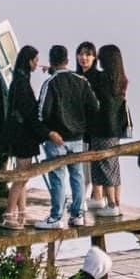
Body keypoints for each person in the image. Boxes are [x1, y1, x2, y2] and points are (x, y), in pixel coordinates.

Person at [36, 44, 94, 230]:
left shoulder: (50, 83)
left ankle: (55, 217)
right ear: (68, 61)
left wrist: (47, 131)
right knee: (77, 175)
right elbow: (94, 105)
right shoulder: (81, 81)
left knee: (57, 177)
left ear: (52, 62)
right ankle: (78, 214)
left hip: (57, 138)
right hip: (77, 138)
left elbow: (42, 112)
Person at [1, 46, 43, 229]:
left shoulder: (18, 79)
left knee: (22, 174)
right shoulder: (22, 83)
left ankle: (22, 211)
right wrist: (45, 132)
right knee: (22, 176)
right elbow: (29, 111)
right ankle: (9, 213)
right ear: (29, 61)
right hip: (23, 136)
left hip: (17, 134)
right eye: (35, 60)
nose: (37, 63)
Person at [88, 43, 130, 219]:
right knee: (112, 166)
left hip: (101, 129)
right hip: (114, 131)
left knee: (104, 167)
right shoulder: (121, 80)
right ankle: (115, 202)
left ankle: (111, 204)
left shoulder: (102, 79)